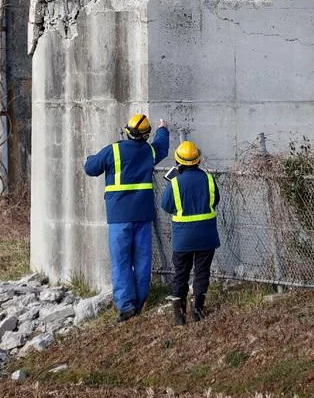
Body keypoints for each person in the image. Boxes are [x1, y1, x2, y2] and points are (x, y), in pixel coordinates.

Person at [84, 114, 169, 322]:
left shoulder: (113, 150)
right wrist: (163, 129)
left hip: (119, 217)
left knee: (121, 261)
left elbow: (90, 168)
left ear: (127, 131)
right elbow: (162, 147)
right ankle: (139, 302)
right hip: (143, 214)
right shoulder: (149, 151)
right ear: (145, 135)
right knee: (142, 260)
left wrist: (89, 158)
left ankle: (126, 305)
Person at [159, 140, 220, 325]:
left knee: (181, 274)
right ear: (198, 160)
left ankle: (179, 317)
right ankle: (198, 311)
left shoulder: (175, 183)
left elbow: (166, 206)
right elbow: (215, 200)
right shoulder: (209, 179)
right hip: (206, 235)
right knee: (202, 272)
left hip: (183, 238)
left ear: (178, 162)